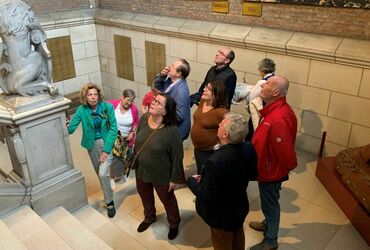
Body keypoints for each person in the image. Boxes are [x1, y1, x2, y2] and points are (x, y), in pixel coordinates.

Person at [187, 113, 258, 250]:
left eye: (221, 124)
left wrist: (191, 181)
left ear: (225, 134)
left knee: (222, 242)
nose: (218, 125)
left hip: (221, 214)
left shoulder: (215, 161)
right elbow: (253, 174)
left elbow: (205, 194)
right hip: (239, 206)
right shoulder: (249, 147)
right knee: (238, 235)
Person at [249, 76, 298, 250]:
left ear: (276, 92)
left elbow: (284, 152)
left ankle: (271, 239)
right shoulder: (274, 110)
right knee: (270, 200)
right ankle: (267, 223)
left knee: (270, 204)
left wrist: (285, 168)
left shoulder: (278, 118)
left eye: (268, 84)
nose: (263, 84)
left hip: (271, 171)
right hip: (269, 167)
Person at [135, 93, 183, 240]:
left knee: (168, 200)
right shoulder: (144, 119)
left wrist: (174, 179)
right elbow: (139, 142)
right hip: (141, 170)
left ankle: (174, 223)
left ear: (165, 111)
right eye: (154, 100)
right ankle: (149, 217)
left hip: (161, 174)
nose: (153, 103)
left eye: (158, 103)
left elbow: (177, 157)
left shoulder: (171, 131)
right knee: (145, 196)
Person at [67, 83, 118, 218]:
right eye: (90, 94)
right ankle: (108, 194)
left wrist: (106, 150)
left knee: (102, 173)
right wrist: (63, 121)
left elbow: (113, 128)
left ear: (99, 95)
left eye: (95, 94)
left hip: (106, 142)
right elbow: (70, 129)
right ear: (85, 97)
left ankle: (110, 202)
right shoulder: (81, 110)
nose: (93, 97)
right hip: (91, 145)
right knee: (100, 174)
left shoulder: (107, 107)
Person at [190, 81, 228, 174]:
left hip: (210, 152)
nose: (204, 89)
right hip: (198, 150)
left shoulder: (222, 112)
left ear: (216, 95)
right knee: (201, 172)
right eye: (205, 87)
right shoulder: (203, 102)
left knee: (208, 176)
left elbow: (230, 132)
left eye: (208, 89)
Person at [106, 89, 139, 181]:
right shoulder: (112, 104)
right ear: (122, 97)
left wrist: (132, 132)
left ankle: (124, 174)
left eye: (131, 101)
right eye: (128, 100)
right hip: (115, 138)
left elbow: (136, 122)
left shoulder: (134, 108)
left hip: (127, 138)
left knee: (127, 157)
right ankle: (112, 177)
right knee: (115, 159)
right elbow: (101, 108)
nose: (129, 103)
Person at [154, 58, 191, 141]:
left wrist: (162, 111)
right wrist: (162, 76)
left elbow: (179, 116)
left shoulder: (181, 91)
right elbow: (157, 86)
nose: (169, 67)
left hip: (177, 132)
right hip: (169, 127)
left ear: (178, 73)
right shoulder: (171, 81)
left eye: (172, 67)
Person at [245, 58, 275, 141]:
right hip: (270, 110)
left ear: (262, 69)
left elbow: (251, 97)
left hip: (259, 110)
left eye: (259, 68)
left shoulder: (262, 82)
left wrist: (247, 92)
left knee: (252, 131)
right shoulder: (275, 79)